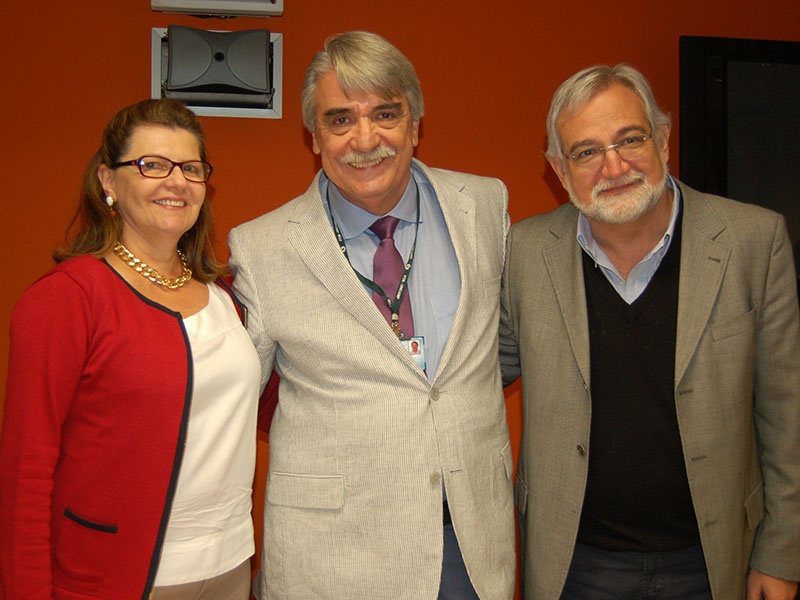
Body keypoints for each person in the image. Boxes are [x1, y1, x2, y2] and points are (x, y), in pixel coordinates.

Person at [229, 30, 515, 600]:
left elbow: (507, 346)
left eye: (386, 114)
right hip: (330, 556)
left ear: (415, 122)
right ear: (312, 135)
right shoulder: (261, 247)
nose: (366, 139)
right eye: (339, 120)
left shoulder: (485, 207)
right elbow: (232, 401)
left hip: (469, 547)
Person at [499, 63, 800, 600]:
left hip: (713, 559)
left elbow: (786, 413)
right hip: (578, 563)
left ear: (662, 138)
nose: (613, 166)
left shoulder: (754, 241)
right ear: (558, 170)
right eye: (586, 151)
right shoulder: (522, 253)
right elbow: (471, 374)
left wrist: (780, 553)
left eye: (629, 139)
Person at [0, 99, 261, 600]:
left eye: (190, 168)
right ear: (107, 181)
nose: (176, 181)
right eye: (152, 165)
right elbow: (24, 476)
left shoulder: (225, 298)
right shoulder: (68, 298)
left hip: (230, 565)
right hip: (118, 578)